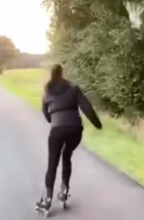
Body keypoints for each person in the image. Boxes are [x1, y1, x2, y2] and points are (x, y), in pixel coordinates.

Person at [35, 64, 102, 214]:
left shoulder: (47, 92)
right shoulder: (73, 89)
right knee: (66, 156)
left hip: (57, 129)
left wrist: (55, 121)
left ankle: (47, 200)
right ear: (62, 73)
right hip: (75, 129)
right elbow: (87, 108)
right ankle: (64, 192)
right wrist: (97, 124)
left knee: (52, 162)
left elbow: (46, 114)